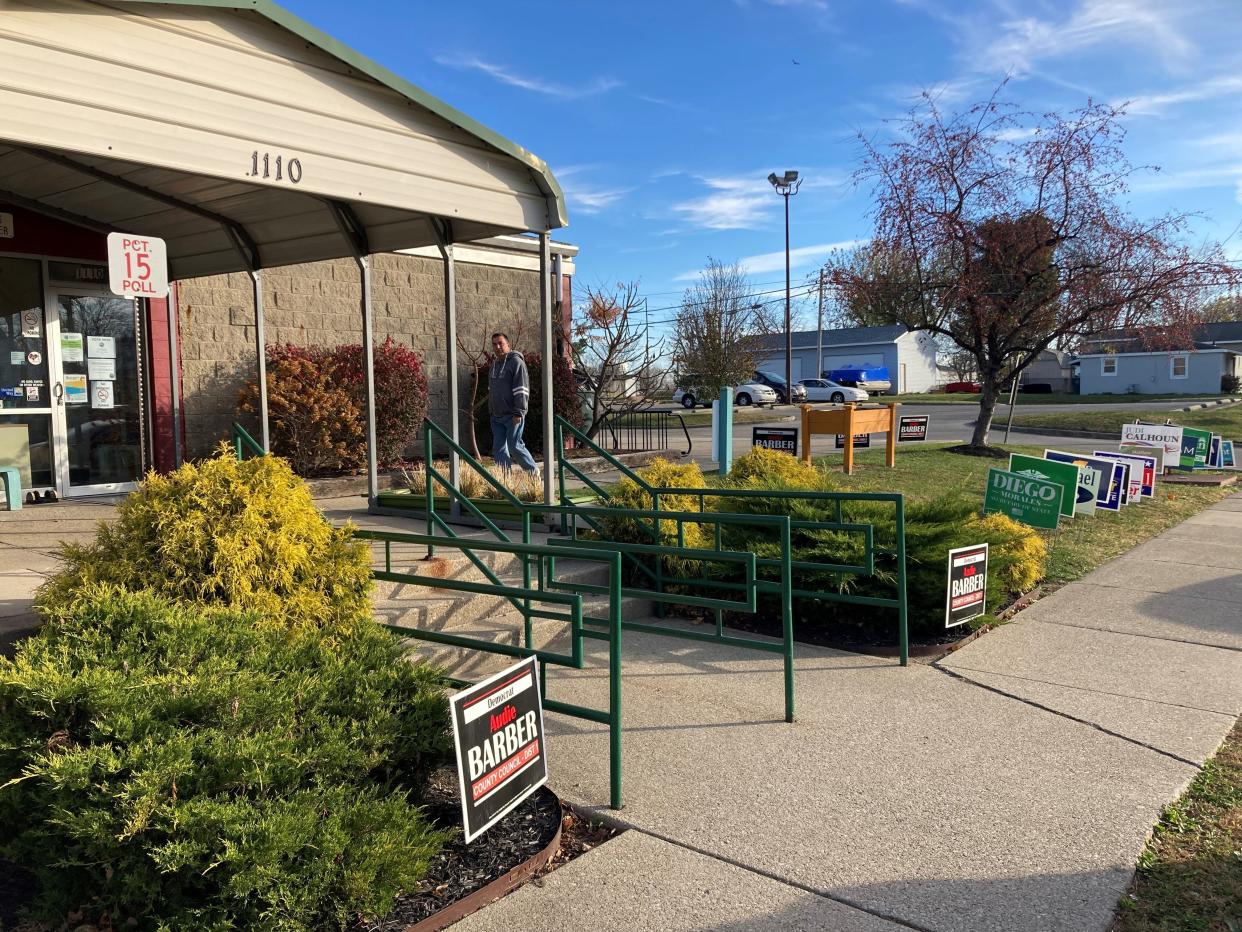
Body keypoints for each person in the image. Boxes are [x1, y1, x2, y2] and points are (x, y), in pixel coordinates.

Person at [488, 332, 539, 473]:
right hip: (496, 416)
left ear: (508, 345)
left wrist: (519, 411)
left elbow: (522, 389)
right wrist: (491, 410)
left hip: (512, 415)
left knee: (515, 445)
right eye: (494, 344)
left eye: (501, 343)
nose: (497, 347)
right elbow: (492, 390)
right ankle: (505, 481)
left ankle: (533, 473)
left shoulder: (516, 362)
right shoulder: (494, 365)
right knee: (498, 448)